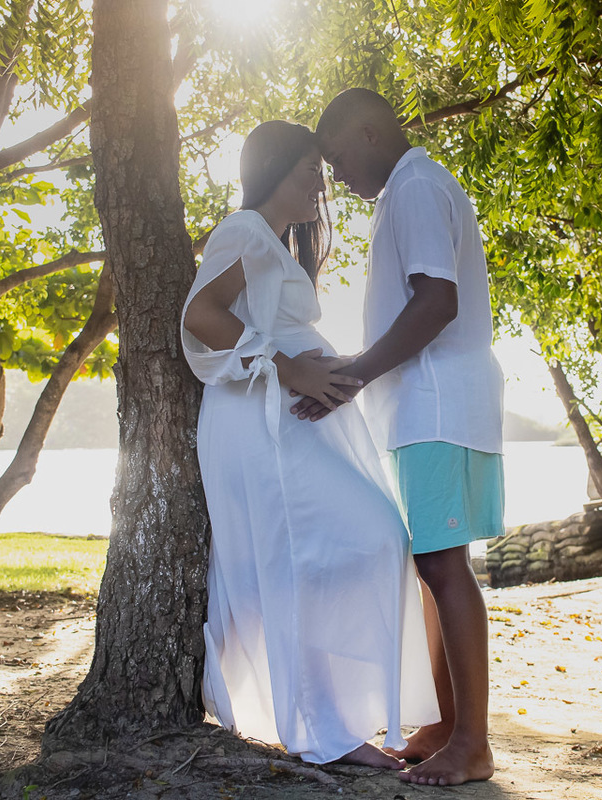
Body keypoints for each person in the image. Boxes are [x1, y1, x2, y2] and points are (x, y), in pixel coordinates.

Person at [180, 120, 439, 768]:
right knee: (346, 543)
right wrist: (291, 369)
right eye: (308, 170)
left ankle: (331, 720)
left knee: (346, 548)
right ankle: (325, 729)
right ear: (274, 170)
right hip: (258, 421)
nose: (320, 183)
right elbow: (201, 315)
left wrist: (333, 369)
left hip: (286, 422)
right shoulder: (244, 232)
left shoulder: (275, 243)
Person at [297, 88, 504, 786]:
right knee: (436, 567)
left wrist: (354, 374)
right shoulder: (412, 187)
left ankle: (472, 741)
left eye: (336, 156)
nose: (335, 175)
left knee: (445, 568)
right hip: (433, 406)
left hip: (437, 405)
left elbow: (436, 301)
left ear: (367, 131)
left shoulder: (414, 185)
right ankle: (450, 724)